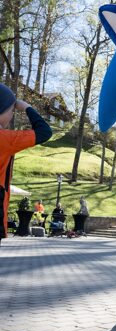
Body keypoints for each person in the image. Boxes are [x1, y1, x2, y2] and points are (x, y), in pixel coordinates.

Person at [0, 83, 52, 245]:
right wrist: (27, 107)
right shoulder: (4, 139)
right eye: (11, 111)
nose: (12, 115)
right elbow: (44, 132)